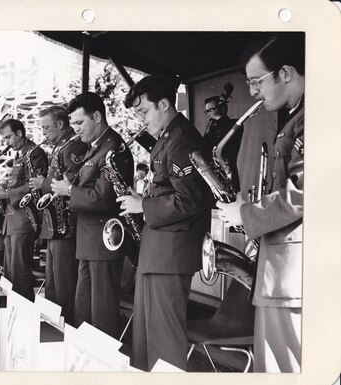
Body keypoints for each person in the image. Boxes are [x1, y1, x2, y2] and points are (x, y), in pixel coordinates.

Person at [216, 34, 304, 373]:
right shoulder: (294, 118)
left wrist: (246, 212)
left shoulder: (314, 118)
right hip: (280, 270)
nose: (252, 92)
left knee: (284, 368)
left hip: (290, 272)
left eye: (256, 81)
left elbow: (301, 194)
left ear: (284, 72)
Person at [117, 75, 212, 371]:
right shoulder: (168, 138)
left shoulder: (181, 140)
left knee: (163, 343)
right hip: (158, 250)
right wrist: (141, 198)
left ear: (164, 104)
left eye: (144, 112)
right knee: (146, 339)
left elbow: (191, 201)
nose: (142, 120)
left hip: (170, 253)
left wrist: (142, 206)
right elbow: (167, 189)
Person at [51, 92, 134, 339]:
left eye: (79, 123)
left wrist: (69, 190)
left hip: (103, 242)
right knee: (84, 312)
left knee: (102, 315)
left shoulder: (113, 148)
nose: (75, 130)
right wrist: (70, 185)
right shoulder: (96, 148)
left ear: (97, 117)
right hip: (89, 241)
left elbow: (103, 197)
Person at [29, 106, 88, 325]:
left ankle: (64, 332)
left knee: (63, 287)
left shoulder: (73, 147)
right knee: (52, 286)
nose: (43, 133)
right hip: (55, 227)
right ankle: (53, 330)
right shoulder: (61, 146)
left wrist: (42, 183)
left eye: (46, 127)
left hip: (65, 227)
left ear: (61, 125)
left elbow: (70, 183)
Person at [0, 118, 48, 301]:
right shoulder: (20, 154)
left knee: (19, 270)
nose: (6, 142)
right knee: (10, 270)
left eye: (8, 137)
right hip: (12, 220)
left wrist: (7, 195)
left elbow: (35, 186)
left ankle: (23, 311)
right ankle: (12, 310)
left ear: (19, 133)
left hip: (24, 218)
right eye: (4, 139)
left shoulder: (35, 153)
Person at [202, 94, 242, 191]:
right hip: (214, 174)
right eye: (206, 111)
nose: (207, 113)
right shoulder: (212, 128)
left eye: (209, 110)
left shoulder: (233, 124)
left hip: (227, 172)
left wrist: (219, 116)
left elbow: (227, 132)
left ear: (220, 109)